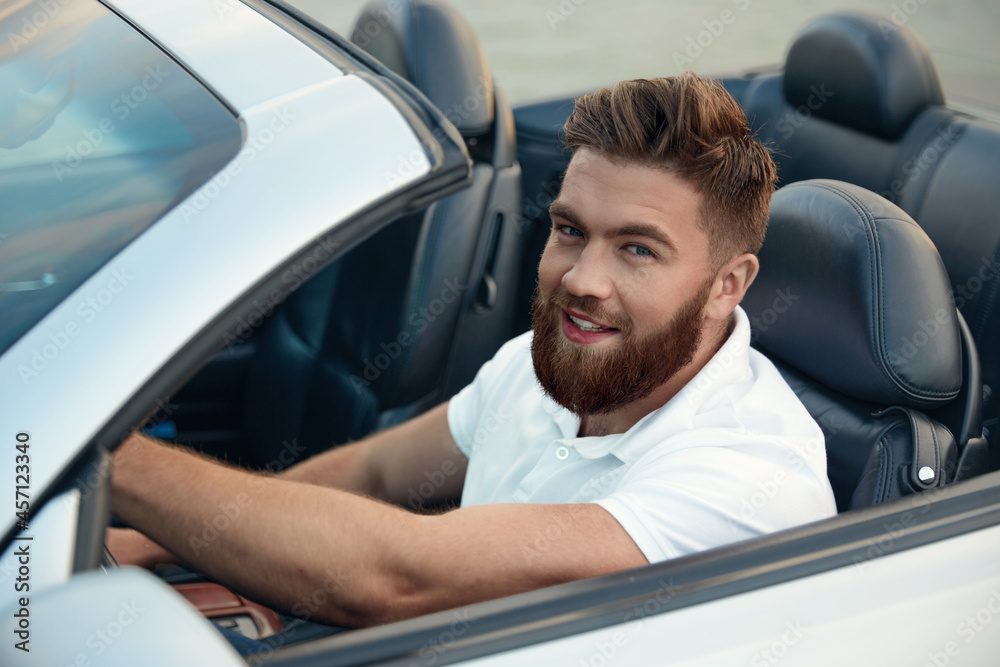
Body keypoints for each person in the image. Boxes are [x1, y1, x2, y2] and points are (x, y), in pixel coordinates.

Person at [109, 73, 837, 634]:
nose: (581, 282)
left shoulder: (751, 478)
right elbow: (377, 469)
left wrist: (101, 457)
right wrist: (145, 544)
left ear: (727, 285)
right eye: (570, 230)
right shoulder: (555, 358)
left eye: (638, 249)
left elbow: (395, 578)